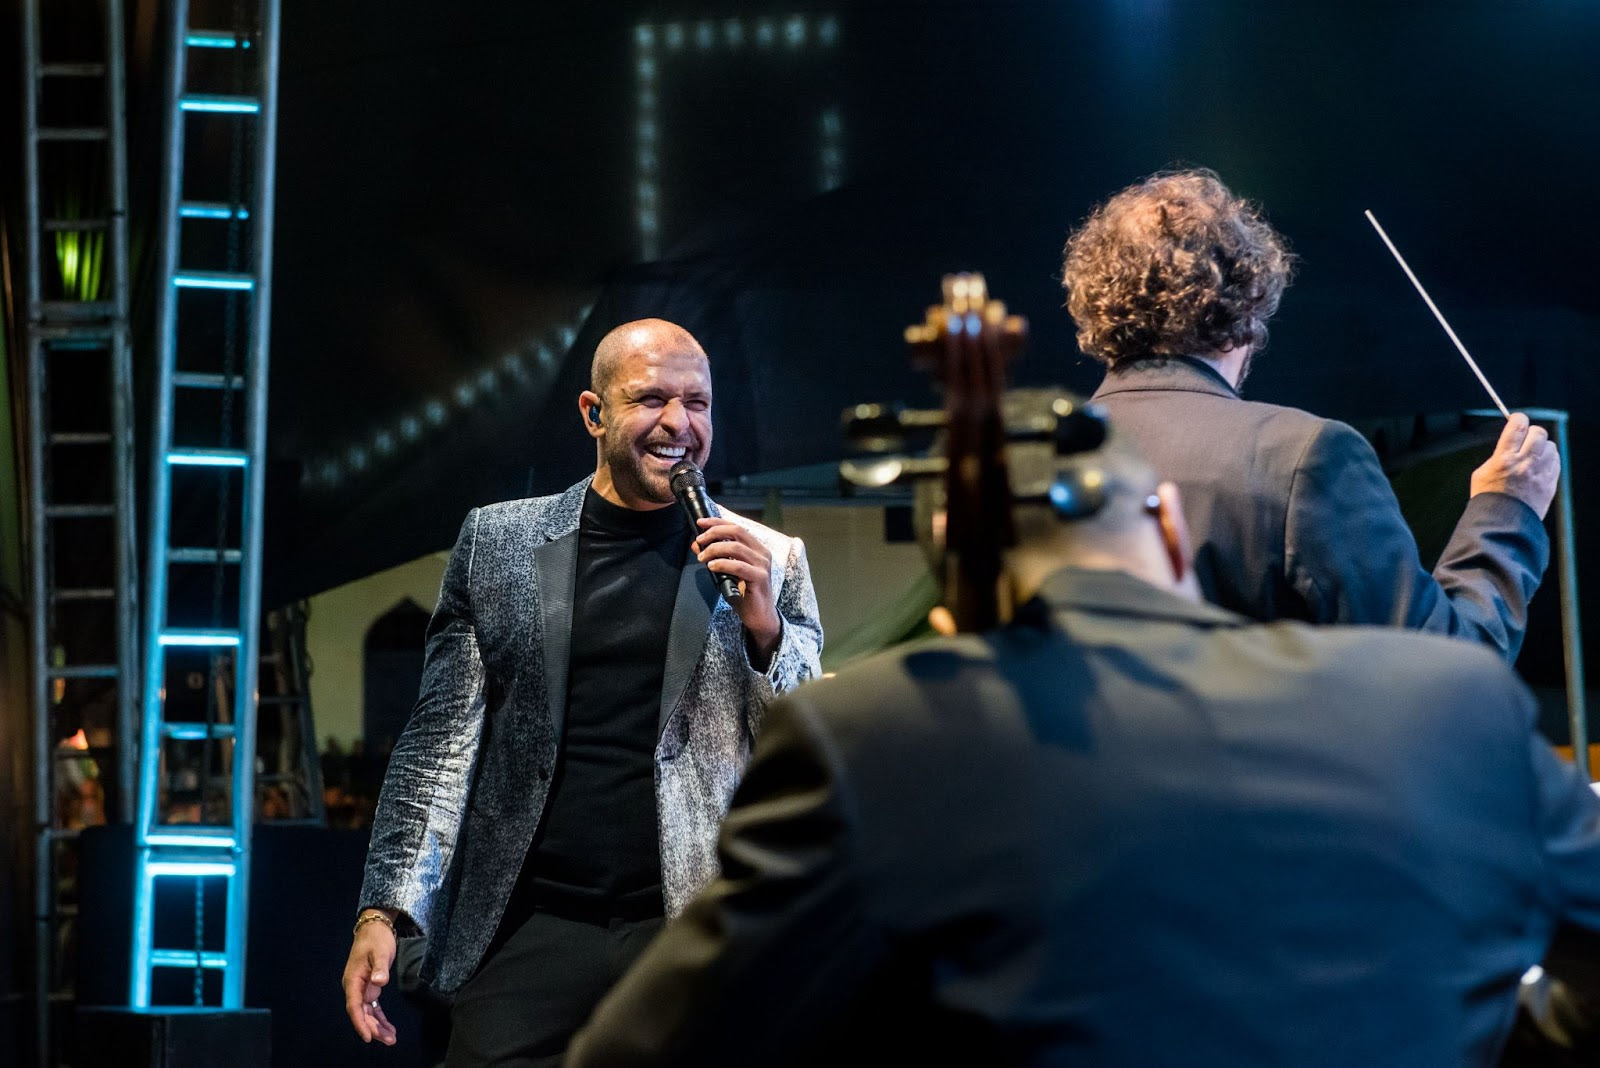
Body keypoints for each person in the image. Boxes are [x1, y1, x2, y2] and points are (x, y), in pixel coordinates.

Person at [566, 414, 1600, 1067]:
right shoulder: (1453, 702)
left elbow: (644, 1049)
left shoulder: (872, 736)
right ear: (1167, 528)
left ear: (954, 589)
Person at [341, 318, 823, 1065]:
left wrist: (766, 629)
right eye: (651, 399)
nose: (679, 423)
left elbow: (805, 747)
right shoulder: (497, 544)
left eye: (697, 402)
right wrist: (384, 909)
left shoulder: (770, 558)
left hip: (686, 928)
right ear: (594, 414)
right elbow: (437, 747)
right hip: (531, 926)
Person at [1061, 168, 1558, 659]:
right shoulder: (1303, 457)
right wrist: (1507, 510)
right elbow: (1443, 669)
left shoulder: (1038, 458)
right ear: (1247, 311)